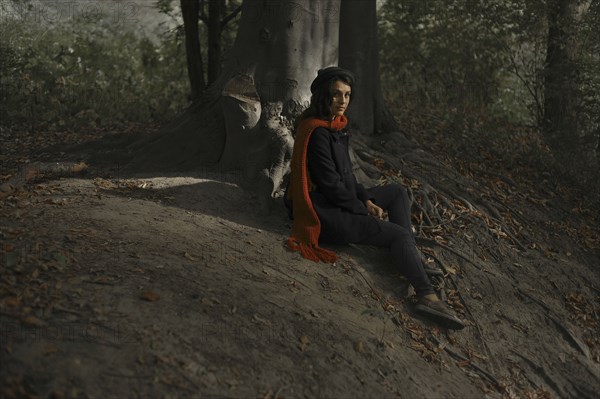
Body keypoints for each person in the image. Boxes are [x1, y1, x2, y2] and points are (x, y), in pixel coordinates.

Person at [285, 66, 465, 330]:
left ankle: (410, 256)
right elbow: (331, 185)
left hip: (339, 200)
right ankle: (426, 295)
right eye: (336, 95)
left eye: (347, 95)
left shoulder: (335, 127)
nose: (342, 101)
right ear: (323, 95)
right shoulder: (317, 133)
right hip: (324, 212)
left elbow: (346, 177)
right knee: (399, 234)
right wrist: (362, 207)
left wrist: (365, 199)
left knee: (396, 192)